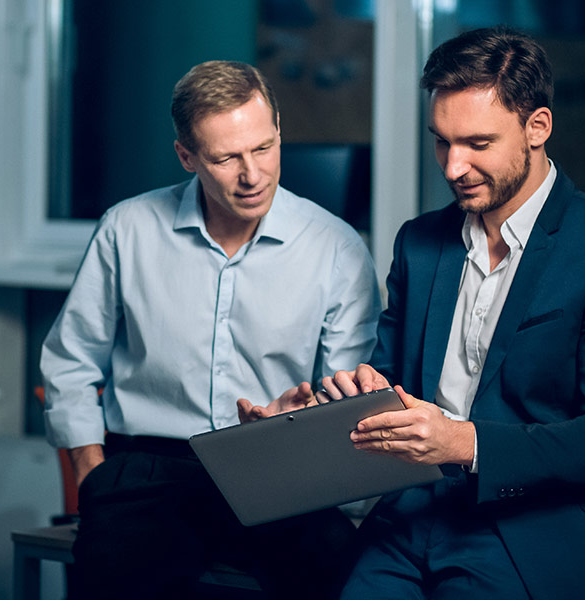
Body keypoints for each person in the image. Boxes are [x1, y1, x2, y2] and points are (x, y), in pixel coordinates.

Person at [320, 27, 585, 599]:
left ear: (538, 127)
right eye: (441, 141)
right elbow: (389, 382)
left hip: (534, 531)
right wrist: (344, 400)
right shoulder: (419, 242)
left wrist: (464, 444)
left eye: (477, 144)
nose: (453, 166)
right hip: (411, 519)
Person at [40, 60, 380, 599]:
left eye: (264, 148)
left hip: (276, 467)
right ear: (187, 156)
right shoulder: (126, 229)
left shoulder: (336, 247)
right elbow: (69, 362)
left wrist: (301, 420)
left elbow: (346, 395)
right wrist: (91, 474)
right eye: (226, 158)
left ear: (277, 132)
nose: (253, 175)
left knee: (348, 570)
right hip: (147, 469)